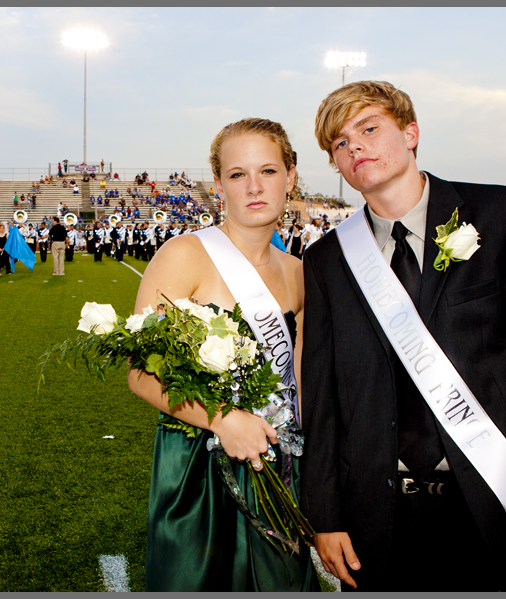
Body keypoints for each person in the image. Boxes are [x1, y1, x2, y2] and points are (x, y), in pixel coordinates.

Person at [301, 80, 506, 592]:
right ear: (337, 165)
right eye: (339, 143)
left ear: (411, 133)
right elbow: (322, 397)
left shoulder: (503, 215)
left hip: (491, 499)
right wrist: (326, 515)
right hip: (374, 513)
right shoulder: (325, 260)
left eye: (369, 127)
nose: (354, 146)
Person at [127, 118, 316, 591]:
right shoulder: (184, 254)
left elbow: (298, 377)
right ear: (218, 185)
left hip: (279, 460)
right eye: (237, 174)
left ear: (290, 176)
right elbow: (140, 374)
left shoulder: (298, 272)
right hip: (197, 465)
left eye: (269, 171)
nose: (254, 186)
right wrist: (223, 418)